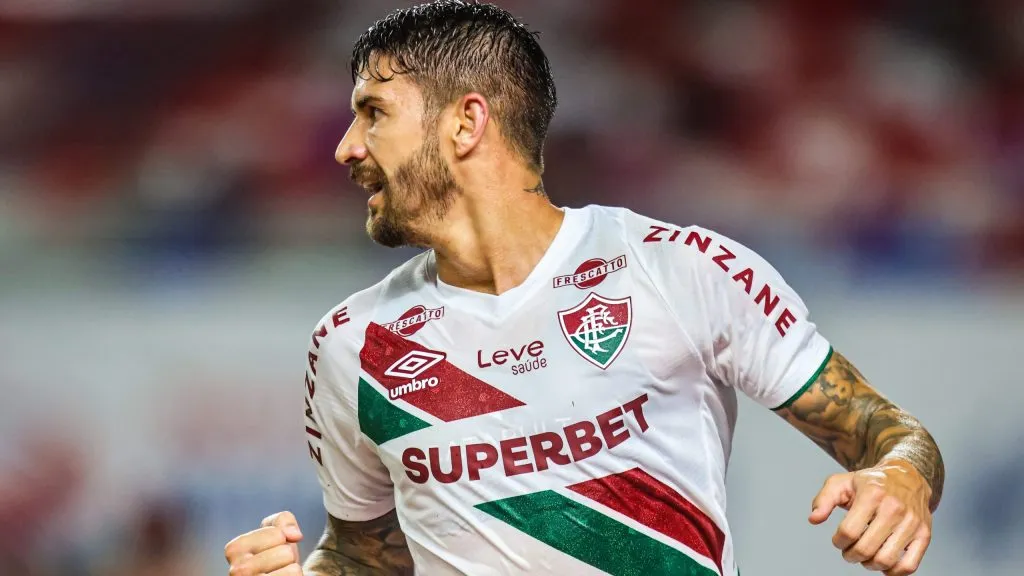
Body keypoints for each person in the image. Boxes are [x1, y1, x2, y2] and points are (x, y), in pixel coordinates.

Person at [224, 2, 944, 575]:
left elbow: (889, 434)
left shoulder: (678, 270)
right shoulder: (352, 346)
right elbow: (363, 558)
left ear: (466, 123)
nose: (346, 146)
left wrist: (902, 479)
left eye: (374, 113)